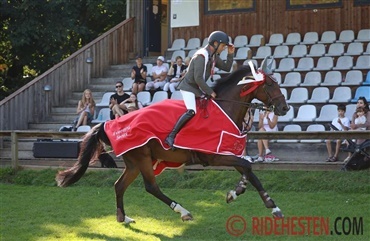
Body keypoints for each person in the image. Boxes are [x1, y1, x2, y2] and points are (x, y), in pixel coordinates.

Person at [165, 30, 235, 148]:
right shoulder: (201, 56)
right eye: (223, 46)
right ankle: (171, 136)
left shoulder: (213, 56)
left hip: (197, 88)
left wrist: (230, 53)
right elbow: (198, 79)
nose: (223, 48)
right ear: (216, 43)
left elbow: (227, 68)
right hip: (188, 87)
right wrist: (211, 92)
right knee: (192, 111)